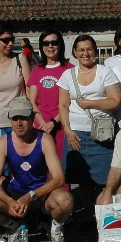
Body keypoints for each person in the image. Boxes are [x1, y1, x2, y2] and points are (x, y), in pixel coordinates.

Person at [0, 96, 74, 242]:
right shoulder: (3, 142)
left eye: (23, 118)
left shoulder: (44, 139)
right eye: (15, 119)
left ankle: (56, 228)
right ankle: (13, 228)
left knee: (65, 199)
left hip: (40, 194)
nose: (19, 123)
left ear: (33, 118)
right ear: (9, 119)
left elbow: (59, 178)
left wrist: (31, 196)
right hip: (16, 192)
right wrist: (9, 201)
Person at [58, 35, 121, 225]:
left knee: (104, 179)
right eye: (81, 50)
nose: (85, 53)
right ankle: (87, 217)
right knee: (83, 180)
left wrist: (91, 103)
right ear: (75, 53)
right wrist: (67, 130)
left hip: (101, 134)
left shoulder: (105, 72)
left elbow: (115, 100)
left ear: (95, 51)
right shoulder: (67, 75)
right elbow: (62, 105)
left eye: (89, 49)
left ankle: (103, 216)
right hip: (76, 134)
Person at [26, 29, 74, 160]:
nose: (50, 46)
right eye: (46, 43)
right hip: (40, 125)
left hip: (62, 125)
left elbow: (70, 101)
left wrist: (53, 122)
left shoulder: (69, 69)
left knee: (60, 163)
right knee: (40, 163)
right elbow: (32, 101)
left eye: (54, 42)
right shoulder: (37, 69)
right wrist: (43, 123)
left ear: (60, 45)